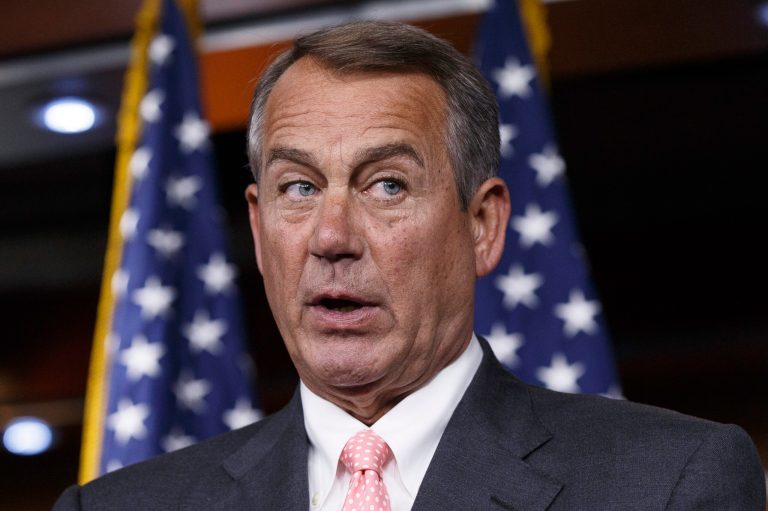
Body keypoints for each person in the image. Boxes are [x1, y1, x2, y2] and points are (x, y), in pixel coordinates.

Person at [54, 20, 764, 511]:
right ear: (257, 224)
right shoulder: (117, 505)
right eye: (298, 187)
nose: (332, 235)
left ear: (482, 225)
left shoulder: (668, 485)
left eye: (386, 184)